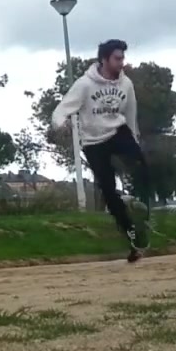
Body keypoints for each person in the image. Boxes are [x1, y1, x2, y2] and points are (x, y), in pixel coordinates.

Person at [51, 38, 151, 262]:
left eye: (122, 58)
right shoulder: (85, 85)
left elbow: (131, 114)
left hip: (118, 132)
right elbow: (60, 111)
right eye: (117, 58)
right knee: (108, 191)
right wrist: (61, 125)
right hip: (94, 141)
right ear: (105, 59)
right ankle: (132, 237)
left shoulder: (126, 84)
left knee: (142, 166)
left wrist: (134, 141)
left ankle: (144, 214)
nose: (121, 63)